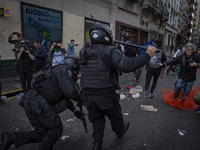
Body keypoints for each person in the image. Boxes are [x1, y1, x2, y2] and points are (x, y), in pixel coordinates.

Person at [79, 22, 157, 150]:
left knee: (97, 120)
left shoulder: (84, 51)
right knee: (115, 115)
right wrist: (147, 55)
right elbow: (126, 65)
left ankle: (97, 144)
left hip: (88, 95)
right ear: (107, 36)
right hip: (105, 95)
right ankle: (120, 131)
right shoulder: (109, 50)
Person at [0, 54, 84, 150]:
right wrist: (84, 100)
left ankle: (11, 138)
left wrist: (74, 111)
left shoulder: (57, 69)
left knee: (43, 132)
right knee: (56, 128)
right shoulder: (65, 71)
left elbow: (64, 95)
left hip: (30, 102)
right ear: (74, 65)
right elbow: (71, 92)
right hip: (38, 103)